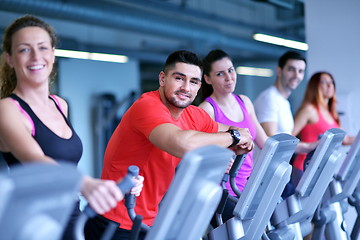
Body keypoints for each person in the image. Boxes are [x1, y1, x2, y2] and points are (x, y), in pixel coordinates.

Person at [0, 15, 143, 240]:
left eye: (42, 47)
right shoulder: (7, 109)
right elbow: (35, 160)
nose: (36, 56)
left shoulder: (60, 104)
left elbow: (65, 165)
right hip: (31, 224)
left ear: (53, 53)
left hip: (71, 214)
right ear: (9, 58)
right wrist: (85, 183)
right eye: (24, 50)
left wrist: (115, 187)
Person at [84, 50, 254, 240]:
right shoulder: (147, 106)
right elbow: (182, 143)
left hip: (148, 220)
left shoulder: (193, 115)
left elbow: (230, 131)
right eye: (179, 78)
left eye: (193, 82)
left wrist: (236, 141)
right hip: (115, 221)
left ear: (199, 86)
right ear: (163, 79)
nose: (186, 87)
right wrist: (233, 138)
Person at [199, 49, 268, 193]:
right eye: (220, 74)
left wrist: (300, 147)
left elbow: (265, 143)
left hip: (248, 184)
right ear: (207, 79)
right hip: (224, 188)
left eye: (230, 70)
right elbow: (199, 152)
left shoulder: (245, 101)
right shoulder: (207, 109)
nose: (228, 77)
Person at [292, 71, 355, 171]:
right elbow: (289, 138)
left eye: (331, 82)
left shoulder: (331, 113)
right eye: (324, 82)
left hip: (320, 169)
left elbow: (345, 140)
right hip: (304, 167)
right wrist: (308, 146)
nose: (330, 85)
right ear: (315, 86)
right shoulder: (309, 110)